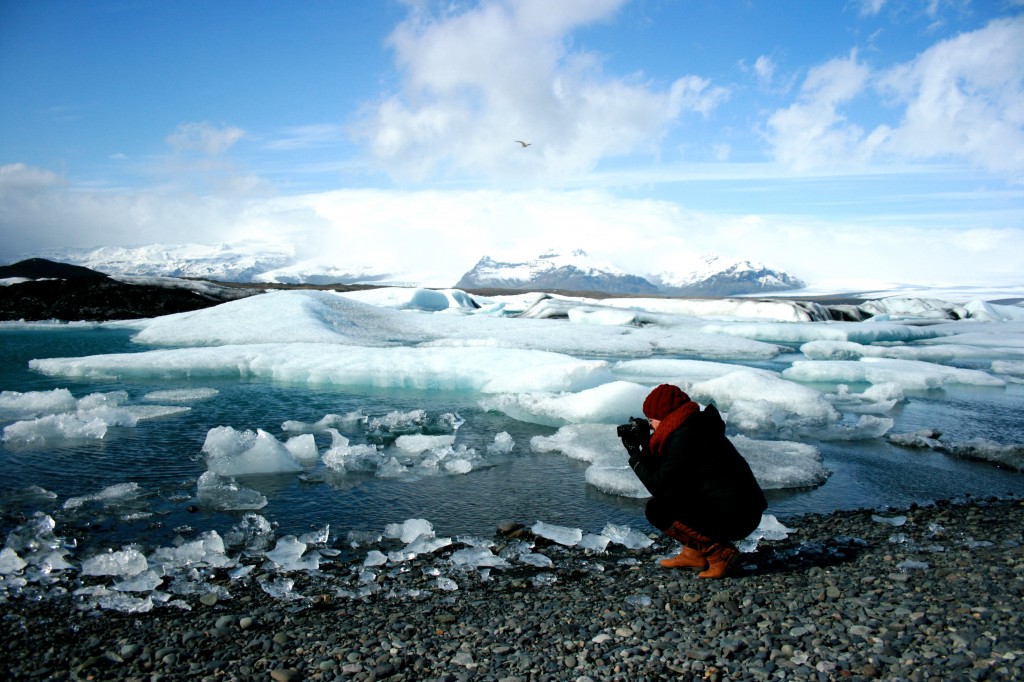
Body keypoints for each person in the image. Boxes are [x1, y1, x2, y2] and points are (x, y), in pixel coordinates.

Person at [620, 384, 766, 579]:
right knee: (676, 495)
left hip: (737, 516)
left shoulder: (686, 436)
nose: (651, 425)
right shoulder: (692, 426)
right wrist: (645, 443)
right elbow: (669, 470)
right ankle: (694, 554)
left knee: (659, 509)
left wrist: (634, 454)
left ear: (664, 416)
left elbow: (660, 485)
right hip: (740, 508)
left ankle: (718, 553)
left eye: (651, 420)